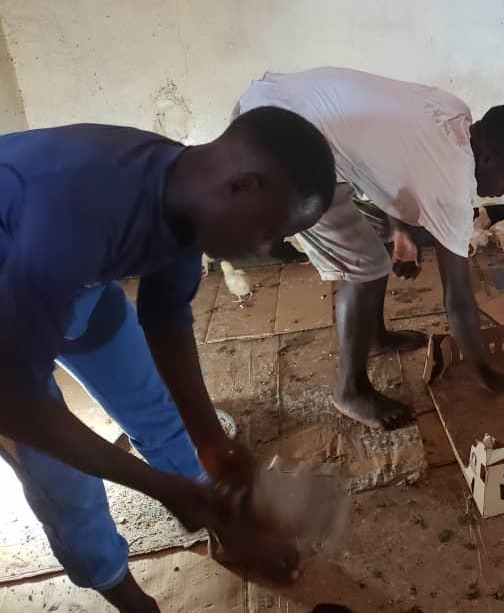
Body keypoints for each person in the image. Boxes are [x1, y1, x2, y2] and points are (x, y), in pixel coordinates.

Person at [0, 108, 336, 612]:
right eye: (270, 230)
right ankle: (123, 591)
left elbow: (166, 316)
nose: (266, 248)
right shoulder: (78, 211)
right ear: (242, 186)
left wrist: (210, 440)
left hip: (68, 284)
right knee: (61, 479)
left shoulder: (184, 189)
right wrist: (156, 487)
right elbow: (14, 405)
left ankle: (219, 517)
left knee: (154, 407)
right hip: (17, 300)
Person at [233, 67, 504, 430]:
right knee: (365, 269)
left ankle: (374, 335)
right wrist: (487, 373)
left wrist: (401, 233)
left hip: (274, 105)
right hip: (278, 151)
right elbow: (459, 300)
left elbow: (391, 164)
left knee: (377, 234)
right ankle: (350, 391)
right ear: (489, 158)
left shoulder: (453, 111)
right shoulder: (452, 183)